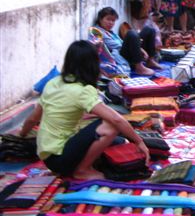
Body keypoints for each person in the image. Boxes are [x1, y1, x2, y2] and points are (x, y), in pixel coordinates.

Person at [19, 41, 150, 180]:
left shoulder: (53, 82)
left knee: (117, 141)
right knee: (110, 125)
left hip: (48, 158)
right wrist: (139, 141)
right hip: (61, 159)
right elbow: (116, 119)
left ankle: (83, 165)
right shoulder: (83, 91)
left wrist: (22, 135)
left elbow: (33, 119)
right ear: (92, 65)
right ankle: (82, 170)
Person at [94, 7, 160, 76]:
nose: (111, 23)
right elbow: (117, 46)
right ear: (100, 19)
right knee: (132, 34)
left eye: (113, 20)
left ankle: (150, 60)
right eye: (108, 19)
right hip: (120, 57)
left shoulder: (110, 32)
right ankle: (139, 67)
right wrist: (139, 48)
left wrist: (138, 45)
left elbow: (122, 43)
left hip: (127, 51)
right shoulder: (99, 32)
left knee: (149, 30)